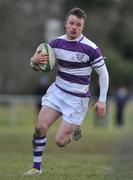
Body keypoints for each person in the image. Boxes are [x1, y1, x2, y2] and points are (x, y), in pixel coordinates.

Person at [23, 7, 109, 176]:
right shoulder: (55, 44)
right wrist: (34, 60)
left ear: (83, 27)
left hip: (77, 98)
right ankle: (36, 168)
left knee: (60, 142)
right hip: (58, 91)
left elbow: (103, 74)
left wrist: (102, 100)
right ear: (65, 24)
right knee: (40, 126)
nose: (74, 27)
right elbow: (37, 65)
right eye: (71, 23)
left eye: (78, 24)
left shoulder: (90, 48)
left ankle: (74, 128)